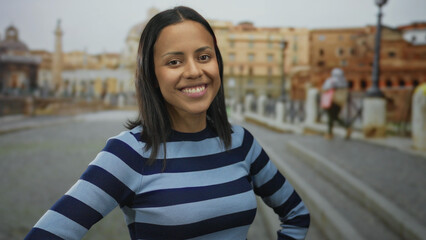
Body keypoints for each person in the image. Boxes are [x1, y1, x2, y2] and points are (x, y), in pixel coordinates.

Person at [25, 6, 310, 240]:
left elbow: (297, 216)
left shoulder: (241, 142)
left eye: (204, 56)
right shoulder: (128, 154)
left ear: (218, 64)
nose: (194, 71)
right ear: (151, 75)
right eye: (174, 62)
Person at [321, 68, 351, 140]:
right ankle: (345, 128)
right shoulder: (344, 81)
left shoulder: (332, 81)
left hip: (332, 101)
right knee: (334, 117)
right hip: (340, 102)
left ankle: (330, 133)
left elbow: (325, 88)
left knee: (332, 117)